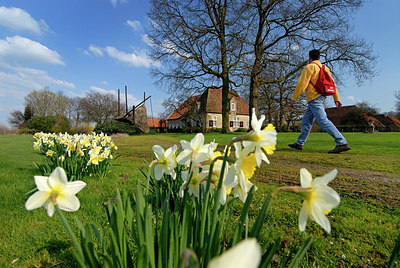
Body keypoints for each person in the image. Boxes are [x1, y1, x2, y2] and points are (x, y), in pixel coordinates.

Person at [289, 49, 350, 154]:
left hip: (314, 99)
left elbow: (302, 84)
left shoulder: (309, 67)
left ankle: (342, 143)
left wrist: (294, 98)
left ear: (309, 57)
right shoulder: (325, 68)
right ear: (319, 57)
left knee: (323, 121)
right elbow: (332, 84)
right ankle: (300, 143)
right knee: (306, 122)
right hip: (320, 97)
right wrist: (336, 99)